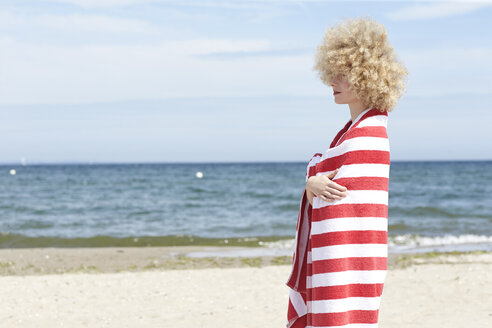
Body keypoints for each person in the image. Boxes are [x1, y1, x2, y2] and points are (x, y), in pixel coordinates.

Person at [286, 16, 408, 328]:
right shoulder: (349, 133)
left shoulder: (370, 134)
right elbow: (325, 193)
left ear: (369, 76)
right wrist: (313, 180)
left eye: (344, 74)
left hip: (350, 262)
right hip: (335, 262)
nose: (333, 82)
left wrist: (313, 179)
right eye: (332, 73)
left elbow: (341, 202)